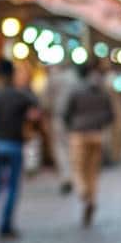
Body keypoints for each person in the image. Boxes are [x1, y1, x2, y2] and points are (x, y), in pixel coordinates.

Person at [0, 58, 39, 241]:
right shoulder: (20, 95)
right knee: (12, 187)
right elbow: (36, 108)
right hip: (14, 145)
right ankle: (5, 226)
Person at [63, 61, 115, 226]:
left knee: (78, 168)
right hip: (97, 133)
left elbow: (66, 112)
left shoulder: (75, 90)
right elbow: (110, 114)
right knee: (93, 171)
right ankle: (91, 199)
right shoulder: (102, 90)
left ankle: (83, 192)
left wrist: (72, 126)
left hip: (78, 133)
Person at [44, 61, 78, 194]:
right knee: (71, 147)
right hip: (74, 119)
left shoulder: (53, 78)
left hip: (58, 117)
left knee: (60, 148)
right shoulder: (74, 78)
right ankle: (73, 176)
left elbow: (45, 101)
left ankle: (66, 176)